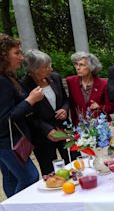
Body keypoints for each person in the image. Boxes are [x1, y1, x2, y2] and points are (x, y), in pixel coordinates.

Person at [0, 34, 44, 197]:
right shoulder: (2, 81)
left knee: (11, 178)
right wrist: (30, 100)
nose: (21, 57)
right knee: (30, 177)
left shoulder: (8, 77)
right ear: (3, 55)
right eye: (17, 53)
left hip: (7, 141)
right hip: (7, 141)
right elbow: (5, 120)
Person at [20, 49, 70, 176]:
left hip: (64, 129)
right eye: (46, 67)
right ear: (34, 69)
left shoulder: (55, 78)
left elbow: (65, 99)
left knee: (73, 162)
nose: (50, 69)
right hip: (42, 136)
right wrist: (47, 129)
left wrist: (64, 109)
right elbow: (27, 114)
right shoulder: (23, 85)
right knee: (50, 172)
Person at [66, 52, 114, 125]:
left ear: (91, 67)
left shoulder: (103, 84)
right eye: (76, 64)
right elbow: (71, 104)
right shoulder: (71, 81)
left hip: (100, 127)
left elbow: (112, 107)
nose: (77, 68)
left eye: (81, 65)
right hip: (80, 126)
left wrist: (100, 107)